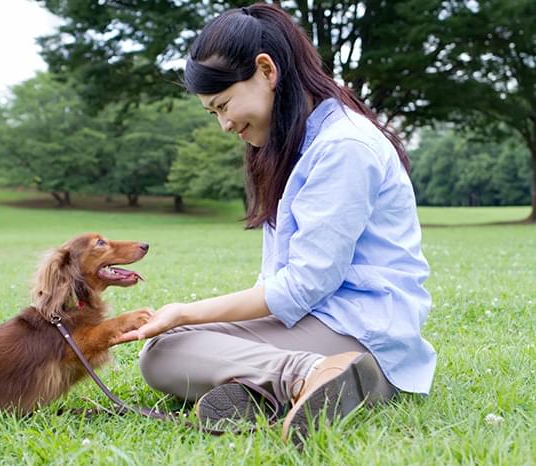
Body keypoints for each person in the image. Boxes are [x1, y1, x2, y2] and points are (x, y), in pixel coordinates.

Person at [117, 3, 436, 446]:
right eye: (213, 113)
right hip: (317, 322)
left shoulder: (345, 145)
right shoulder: (295, 145)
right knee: (170, 346)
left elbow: (305, 284)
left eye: (224, 104)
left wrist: (186, 311)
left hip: (360, 331)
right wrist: (188, 322)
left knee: (164, 351)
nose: (225, 124)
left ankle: (330, 376)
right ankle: (268, 393)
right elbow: (282, 282)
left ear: (266, 70)